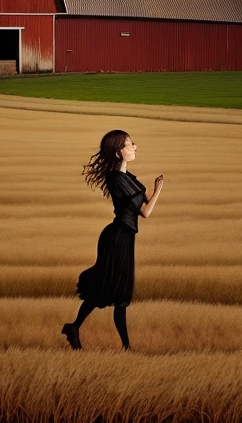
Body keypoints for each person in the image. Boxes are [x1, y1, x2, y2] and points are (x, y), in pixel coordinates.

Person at [61, 129, 164, 351]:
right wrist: (158, 190)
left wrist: (152, 191)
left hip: (124, 237)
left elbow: (142, 203)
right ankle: (126, 347)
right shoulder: (117, 179)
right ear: (118, 152)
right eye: (130, 144)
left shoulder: (128, 177)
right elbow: (145, 212)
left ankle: (75, 327)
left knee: (117, 292)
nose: (135, 147)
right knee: (114, 292)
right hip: (117, 237)